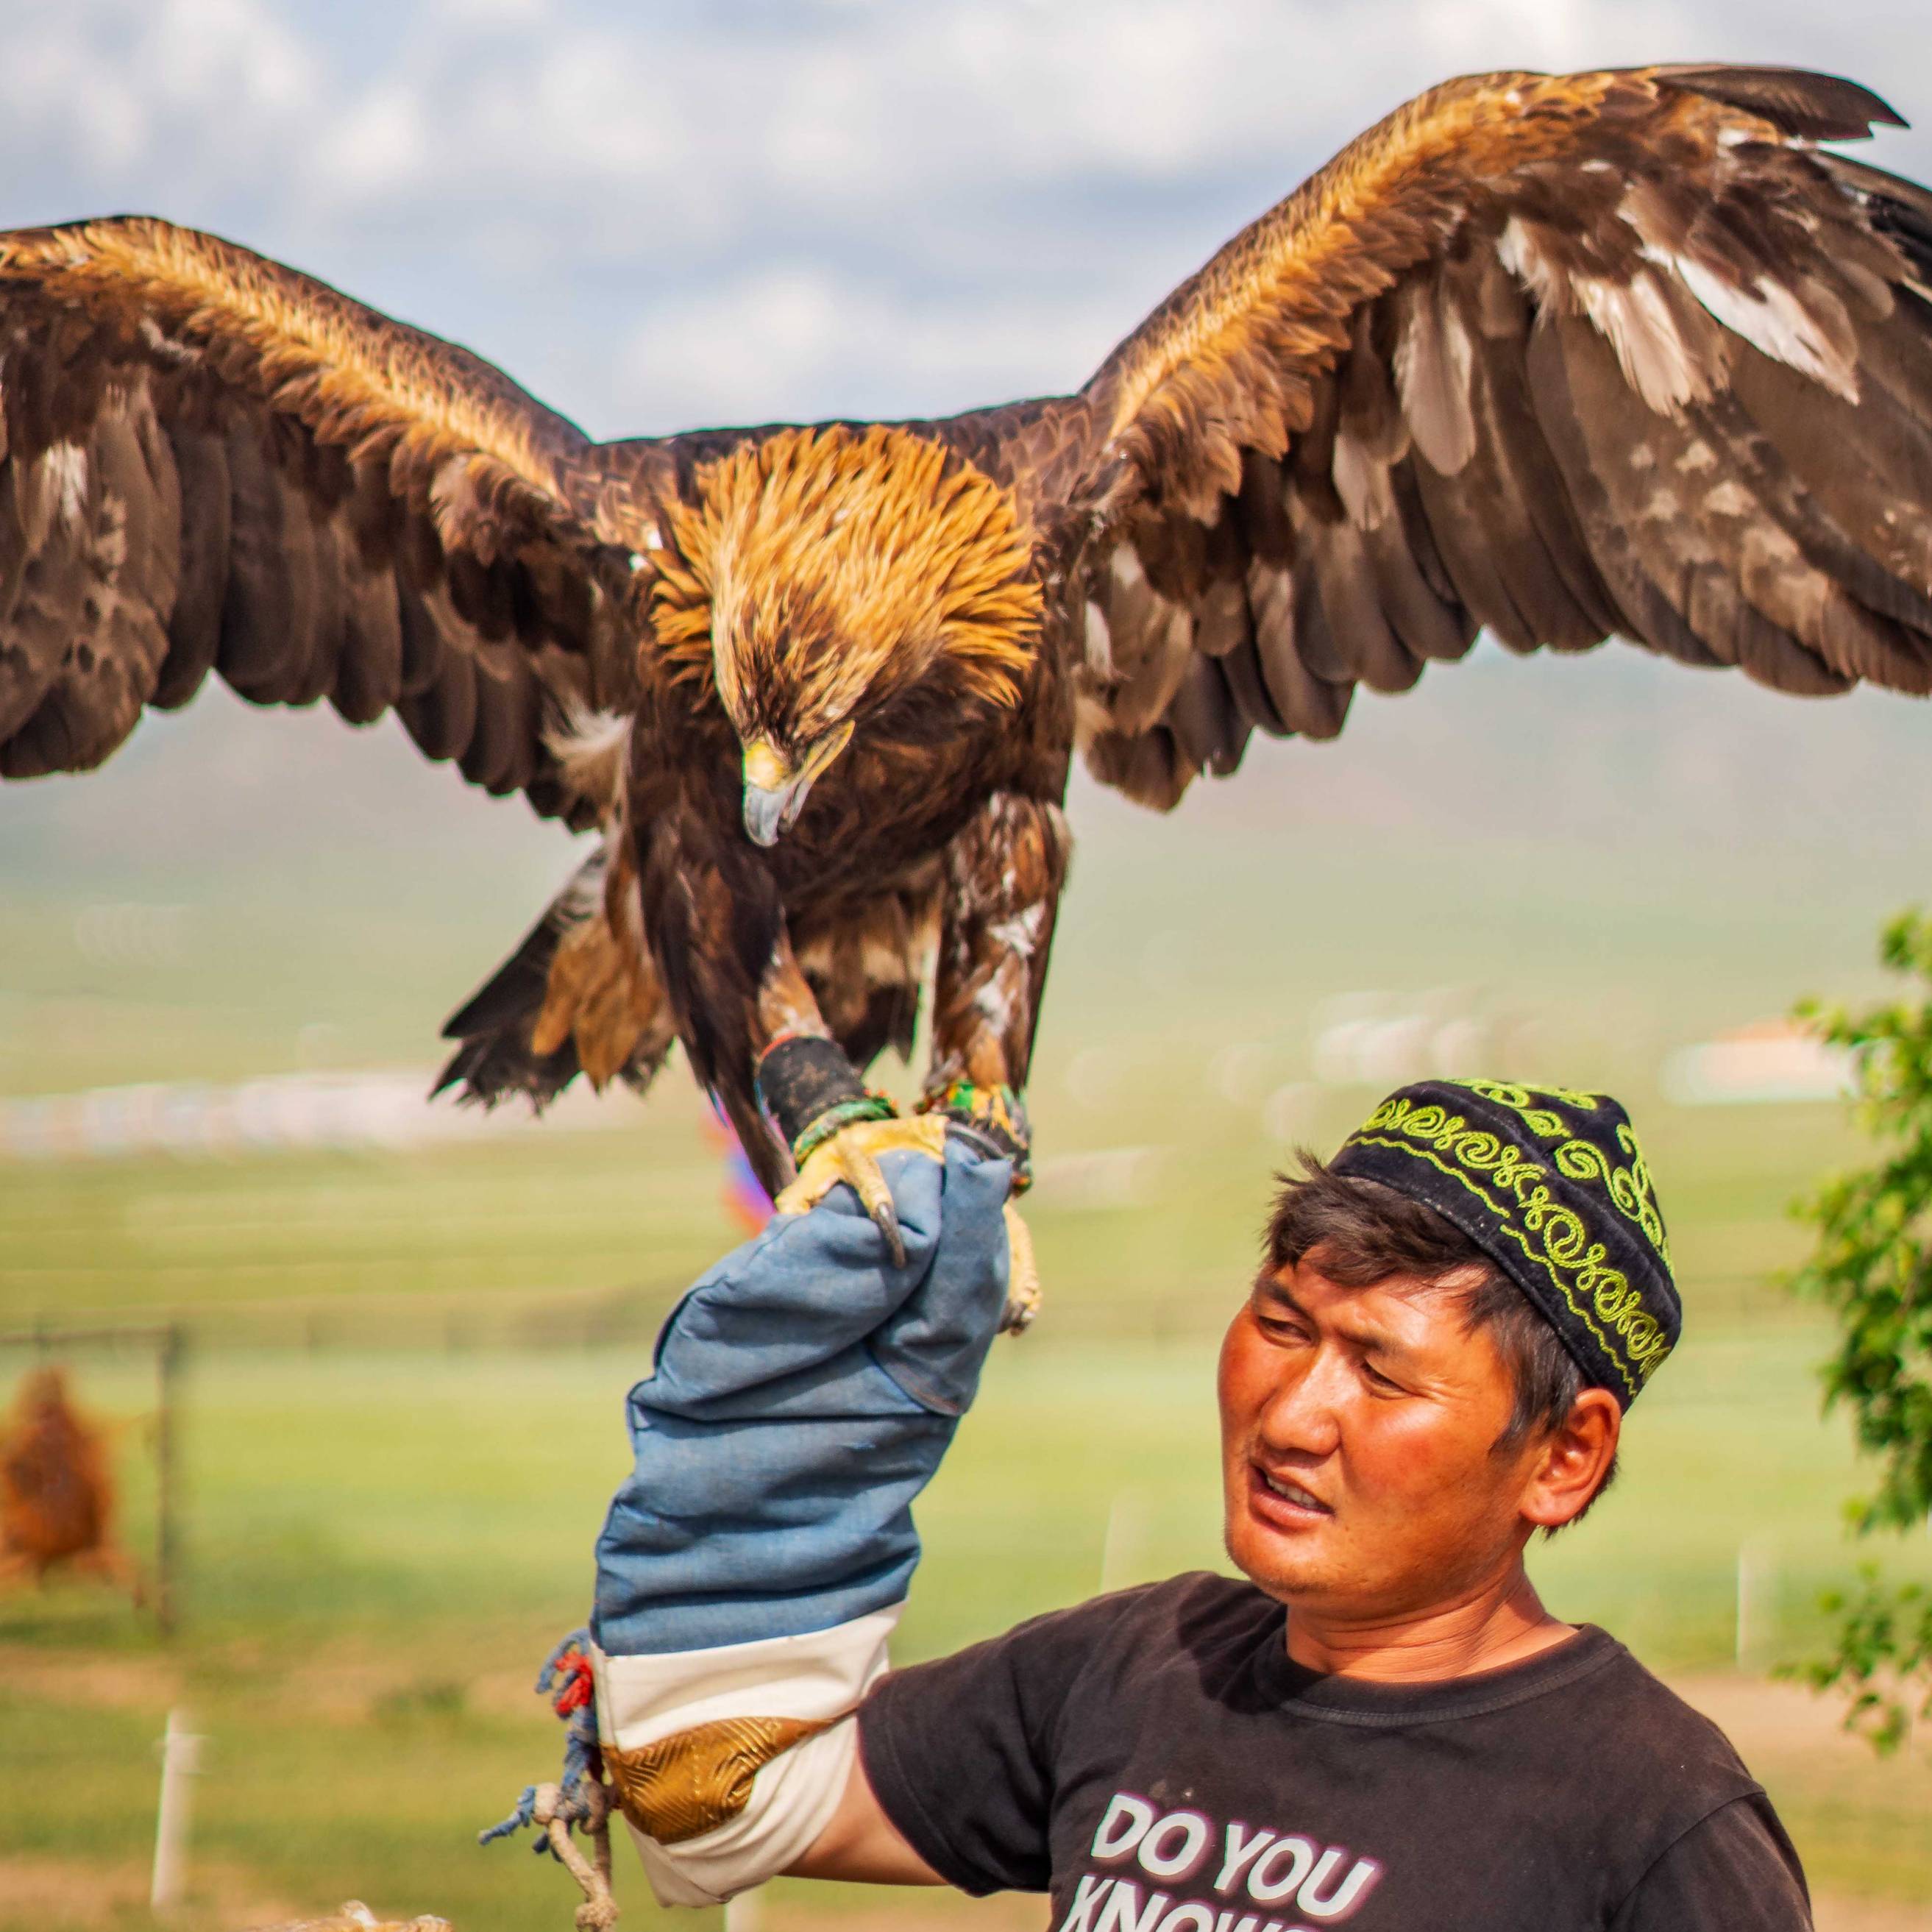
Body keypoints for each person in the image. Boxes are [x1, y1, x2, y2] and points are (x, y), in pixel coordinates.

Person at [572, 1079, 1811, 1931]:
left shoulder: (1655, 1815)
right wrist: (798, 1412)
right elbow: (718, 1803)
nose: (1289, 1414)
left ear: (1563, 1455)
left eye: (1379, 1370)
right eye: (1279, 1324)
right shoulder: (1139, 1664)